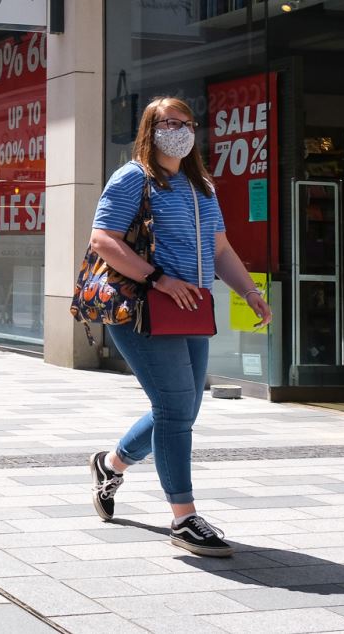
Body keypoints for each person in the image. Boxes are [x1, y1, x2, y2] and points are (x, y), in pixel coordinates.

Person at [86, 97, 271, 557]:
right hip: (145, 307)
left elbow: (222, 249)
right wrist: (160, 279)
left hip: (190, 307)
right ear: (150, 130)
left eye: (185, 123)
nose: (178, 130)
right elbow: (102, 239)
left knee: (184, 408)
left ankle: (110, 465)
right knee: (173, 409)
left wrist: (249, 291)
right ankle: (184, 518)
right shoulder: (133, 178)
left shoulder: (201, 186)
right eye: (167, 123)